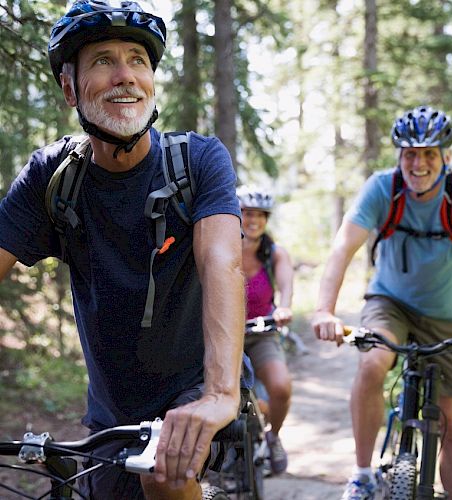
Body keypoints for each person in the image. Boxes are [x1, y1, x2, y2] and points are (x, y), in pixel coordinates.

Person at [0, 2, 249, 499]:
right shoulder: (53, 176)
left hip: (196, 390)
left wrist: (221, 395)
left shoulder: (198, 161)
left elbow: (222, 261)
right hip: (109, 413)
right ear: (70, 86)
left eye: (137, 59)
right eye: (102, 61)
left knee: (164, 476)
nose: (125, 76)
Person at [311, 105, 452, 500]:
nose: (418, 163)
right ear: (399, 156)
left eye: (429, 153)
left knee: (449, 419)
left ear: (447, 157)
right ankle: (362, 474)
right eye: (410, 153)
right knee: (372, 362)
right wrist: (324, 310)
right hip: (390, 303)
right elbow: (342, 248)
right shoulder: (383, 188)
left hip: (449, 317)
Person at [237, 186, 293, 475]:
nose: (253, 220)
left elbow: (285, 288)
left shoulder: (274, 254)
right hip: (224, 334)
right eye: (247, 213)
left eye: (260, 215)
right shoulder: (223, 245)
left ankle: (273, 436)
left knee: (281, 387)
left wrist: (283, 308)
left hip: (261, 331)